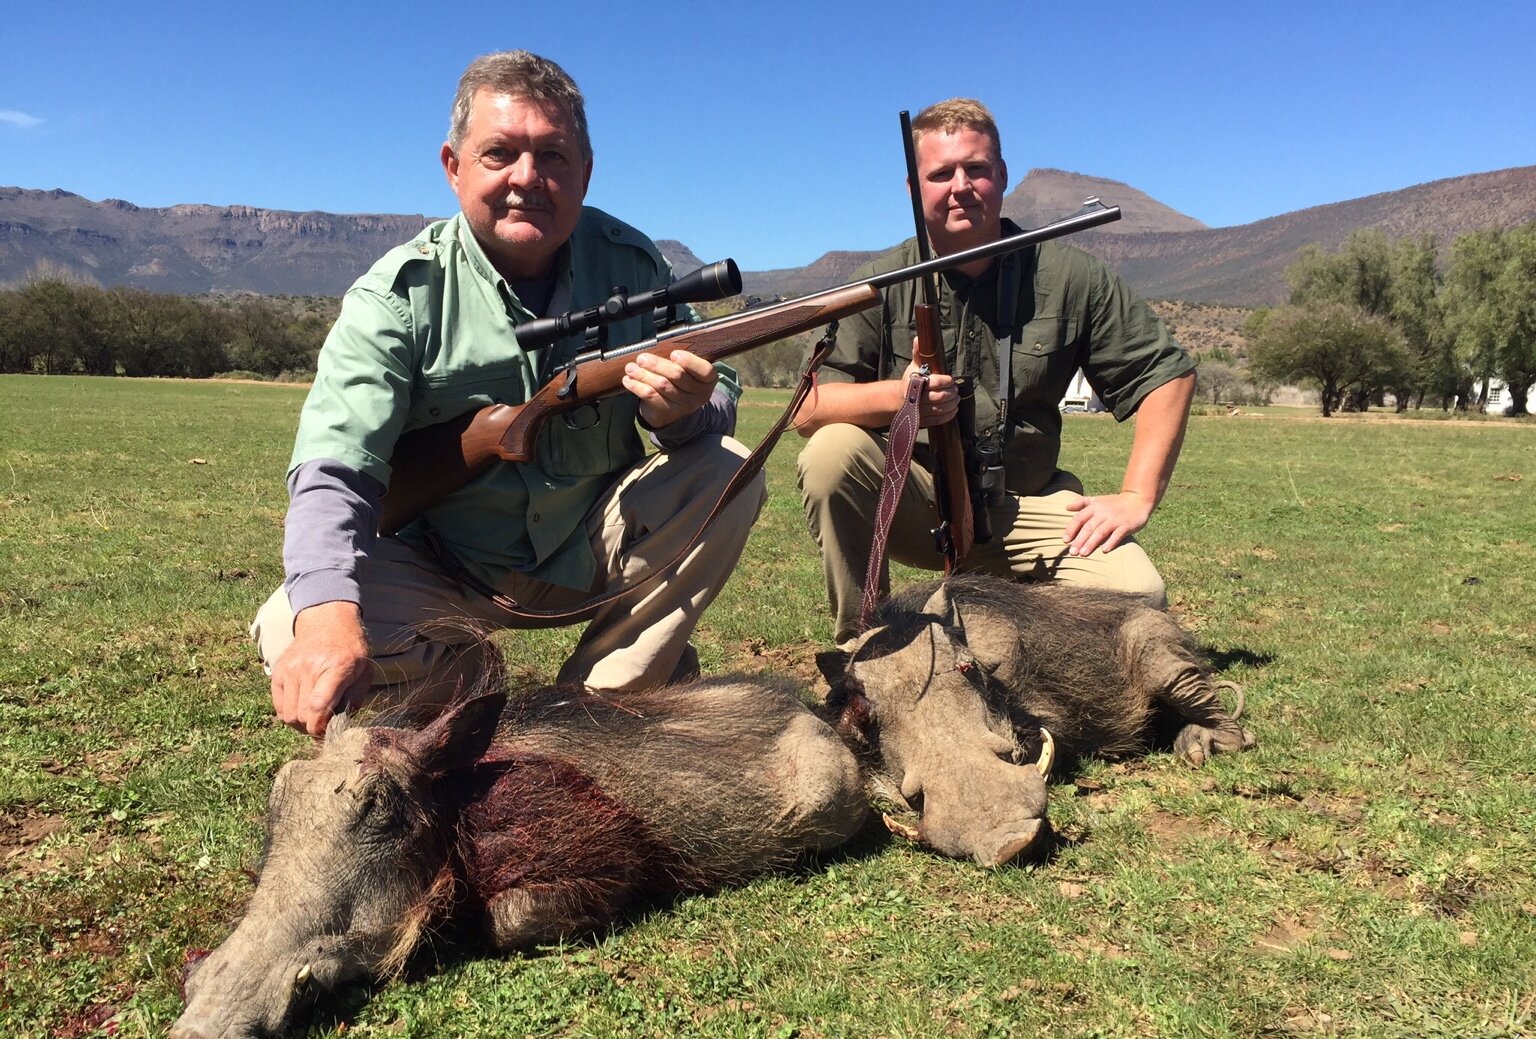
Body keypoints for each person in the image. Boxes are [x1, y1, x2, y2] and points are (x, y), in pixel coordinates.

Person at [253, 50, 763, 735]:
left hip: (593, 551)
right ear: (453, 166)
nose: (529, 178)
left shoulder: (636, 266)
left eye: (553, 156)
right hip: (444, 568)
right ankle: (462, 672)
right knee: (291, 624)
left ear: (585, 172)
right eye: (501, 153)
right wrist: (327, 624)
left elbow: (719, 391)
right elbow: (333, 468)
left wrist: (683, 415)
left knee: (727, 466)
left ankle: (595, 709)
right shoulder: (397, 295)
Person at [796, 98, 1197, 647]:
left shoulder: (1071, 275)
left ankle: (1010, 618)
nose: (961, 185)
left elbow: (1165, 374)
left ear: (1002, 176)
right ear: (915, 189)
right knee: (830, 452)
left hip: (1026, 505)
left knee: (1139, 595)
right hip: (917, 502)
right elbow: (808, 406)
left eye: (976, 169)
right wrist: (903, 397)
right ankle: (866, 646)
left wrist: (1136, 496)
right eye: (941, 173)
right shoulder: (878, 282)